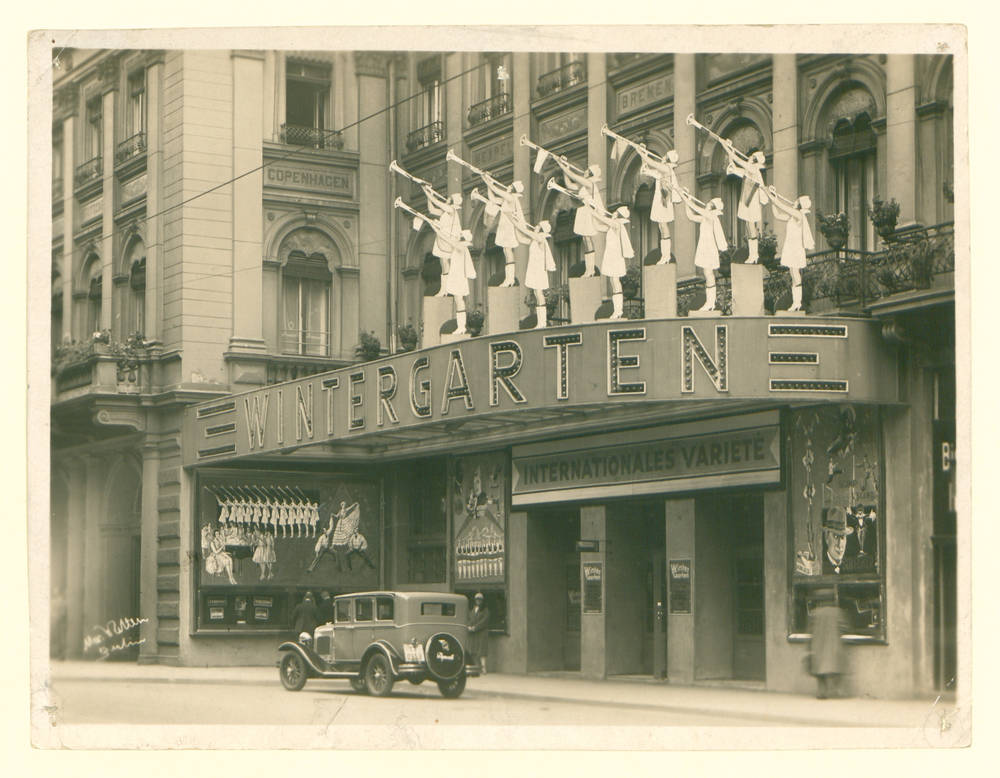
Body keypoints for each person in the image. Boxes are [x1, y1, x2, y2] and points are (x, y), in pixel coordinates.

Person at [556, 158, 605, 277]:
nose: (585, 171)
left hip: (587, 211)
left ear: (591, 174)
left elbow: (573, 175)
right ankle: (589, 269)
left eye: (588, 170)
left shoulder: (590, 184)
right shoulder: (583, 185)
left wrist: (562, 165)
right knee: (585, 239)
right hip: (583, 211)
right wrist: (565, 169)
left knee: (587, 238)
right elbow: (569, 185)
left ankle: (591, 269)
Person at [681, 191, 728, 312]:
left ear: (712, 208)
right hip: (705, 247)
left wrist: (684, 196)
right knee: (707, 273)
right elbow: (690, 216)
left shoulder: (711, 216)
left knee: (708, 274)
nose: (707, 204)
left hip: (709, 248)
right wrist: (686, 201)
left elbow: (695, 207)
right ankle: (710, 302)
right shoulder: (705, 218)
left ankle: (711, 303)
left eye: (710, 203)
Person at [768, 188, 814, 311]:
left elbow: (782, 206)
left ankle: (798, 302)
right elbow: (777, 215)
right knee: (793, 274)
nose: (794, 201)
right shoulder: (792, 216)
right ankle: (796, 303)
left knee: (795, 273)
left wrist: (772, 196)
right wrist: (773, 200)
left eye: (796, 201)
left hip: (796, 248)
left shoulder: (798, 215)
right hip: (791, 247)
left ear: (799, 205)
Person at [725, 146, 769, 264]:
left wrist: (729, 149)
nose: (749, 158)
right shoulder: (749, 170)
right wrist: (730, 151)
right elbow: (734, 167)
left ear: (754, 160)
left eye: (751, 157)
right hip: (747, 200)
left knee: (750, 225)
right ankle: (752, 254)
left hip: (752, 200)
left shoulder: (754, 169)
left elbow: (738, 160)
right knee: (749, 227)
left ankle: (754, 254)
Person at [638, 147, 681, 264]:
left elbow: (652, 163)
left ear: (668, 159)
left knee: (663, 226)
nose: (663, 157)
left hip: (664, 200)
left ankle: (666, 255)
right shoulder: (662, 171)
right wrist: (643, 154)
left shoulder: (666, 168)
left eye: (665, 156)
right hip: (660, 200)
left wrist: (640, 152)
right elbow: (646, 169)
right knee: (661, 226)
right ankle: (664, 255)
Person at [809, 591, 846, 699]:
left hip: (818, 645)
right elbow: (844, 627)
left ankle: (821, 692)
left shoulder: (815, 613)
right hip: (833, 644)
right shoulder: (837, 612)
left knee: (820, 670)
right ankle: (836, 691)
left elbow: (810, 630)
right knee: (834, 667)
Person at [468, 592, 490, 675]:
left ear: (482, 600)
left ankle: (483, 668)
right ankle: (476, 668)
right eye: (477, 599)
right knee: (474, 650)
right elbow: (469, 619)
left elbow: (484, 621)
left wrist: (475, 627)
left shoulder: (486, 610)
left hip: (482, 633)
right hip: (473, 634)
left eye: (480, 600)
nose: (478, 601)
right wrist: (469, 626)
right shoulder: (473, 610)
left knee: (482, 651)